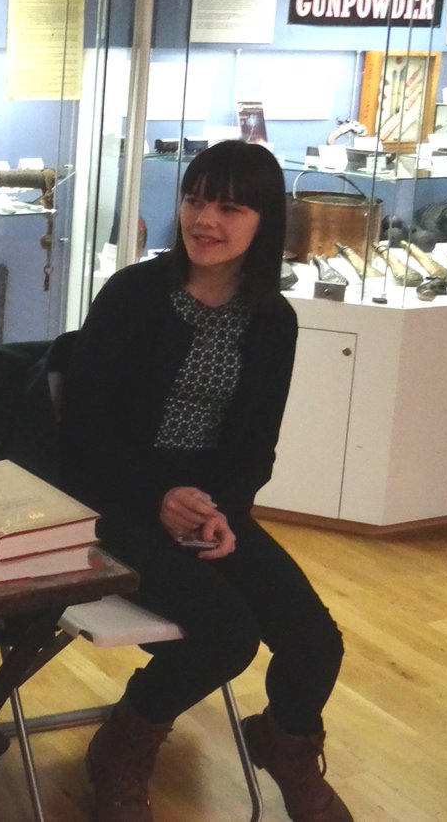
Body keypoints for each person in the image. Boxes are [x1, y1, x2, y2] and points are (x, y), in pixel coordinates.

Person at [60, 140, 352, 822]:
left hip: (206, 504)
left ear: (263, 221)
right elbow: (83, 429)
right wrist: (157, 496)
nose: (204, 219)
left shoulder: (272, 319)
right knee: (227, 631)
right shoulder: (134, 293)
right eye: (194, 199)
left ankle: (286, 743)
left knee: (315, 641)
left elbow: (256, 445)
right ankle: (123, 745)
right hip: (116, 497)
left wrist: (222, 510)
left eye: (229, 205)